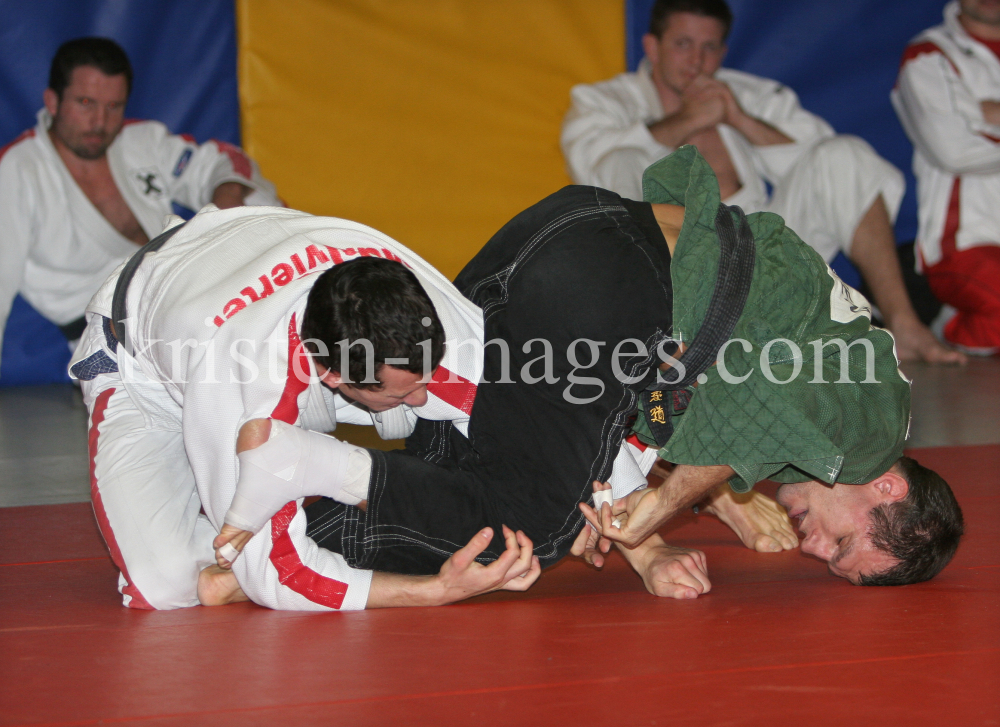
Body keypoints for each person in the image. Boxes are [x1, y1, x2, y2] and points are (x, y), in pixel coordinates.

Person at [215, 146, 964, 602]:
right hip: (615, 285)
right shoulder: (874, 424)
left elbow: (705, 405)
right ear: (889, 490)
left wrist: (678, 524)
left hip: (569, 235)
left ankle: (249, 532)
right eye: (841, 545)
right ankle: (304, 471)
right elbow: (751, 411)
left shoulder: (839, 370)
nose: (814, 549)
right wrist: (661, 509)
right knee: (531, 527)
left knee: (473, 463)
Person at [70, 204, 540, 611]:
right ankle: (245, 488)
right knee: (164, 585)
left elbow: (548, 417)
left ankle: (285, 475)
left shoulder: (417, 307)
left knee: (460, 400)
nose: (421, 397)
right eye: (401, 393)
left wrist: (599, 499)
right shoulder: (245, 387)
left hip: (237, 254)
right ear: (333, 377)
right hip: (144, 360)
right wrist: (433, 590)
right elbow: (282, 578)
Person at [561, 0, 965, 365]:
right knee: (622, 160)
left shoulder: (749, 95)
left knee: (843, 154)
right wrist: (690, 119)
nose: (697, 61)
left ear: (723, 51)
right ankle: (666, 339)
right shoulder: (603, 101)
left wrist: (738, 119)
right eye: (683, 44)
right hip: (676, 274)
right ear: (652, 46)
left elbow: (825, 154)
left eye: (710, 47)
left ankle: (903, 323)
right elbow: (591, 168)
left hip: (762, 256)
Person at [0, 37, 279, 370]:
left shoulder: (141, 141)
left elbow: (224, 162)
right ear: (53, 101)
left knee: (256, 199)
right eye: (85, 102)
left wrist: (227, 204)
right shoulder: (18, 171)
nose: (100, 122)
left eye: (114, 106)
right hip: (110, 338)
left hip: (189, 298)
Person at [892, 0, 1000, 354]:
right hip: (967, 242)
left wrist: (985, 114)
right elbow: (953, 149)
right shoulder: (928, 54)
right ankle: (950, 320)